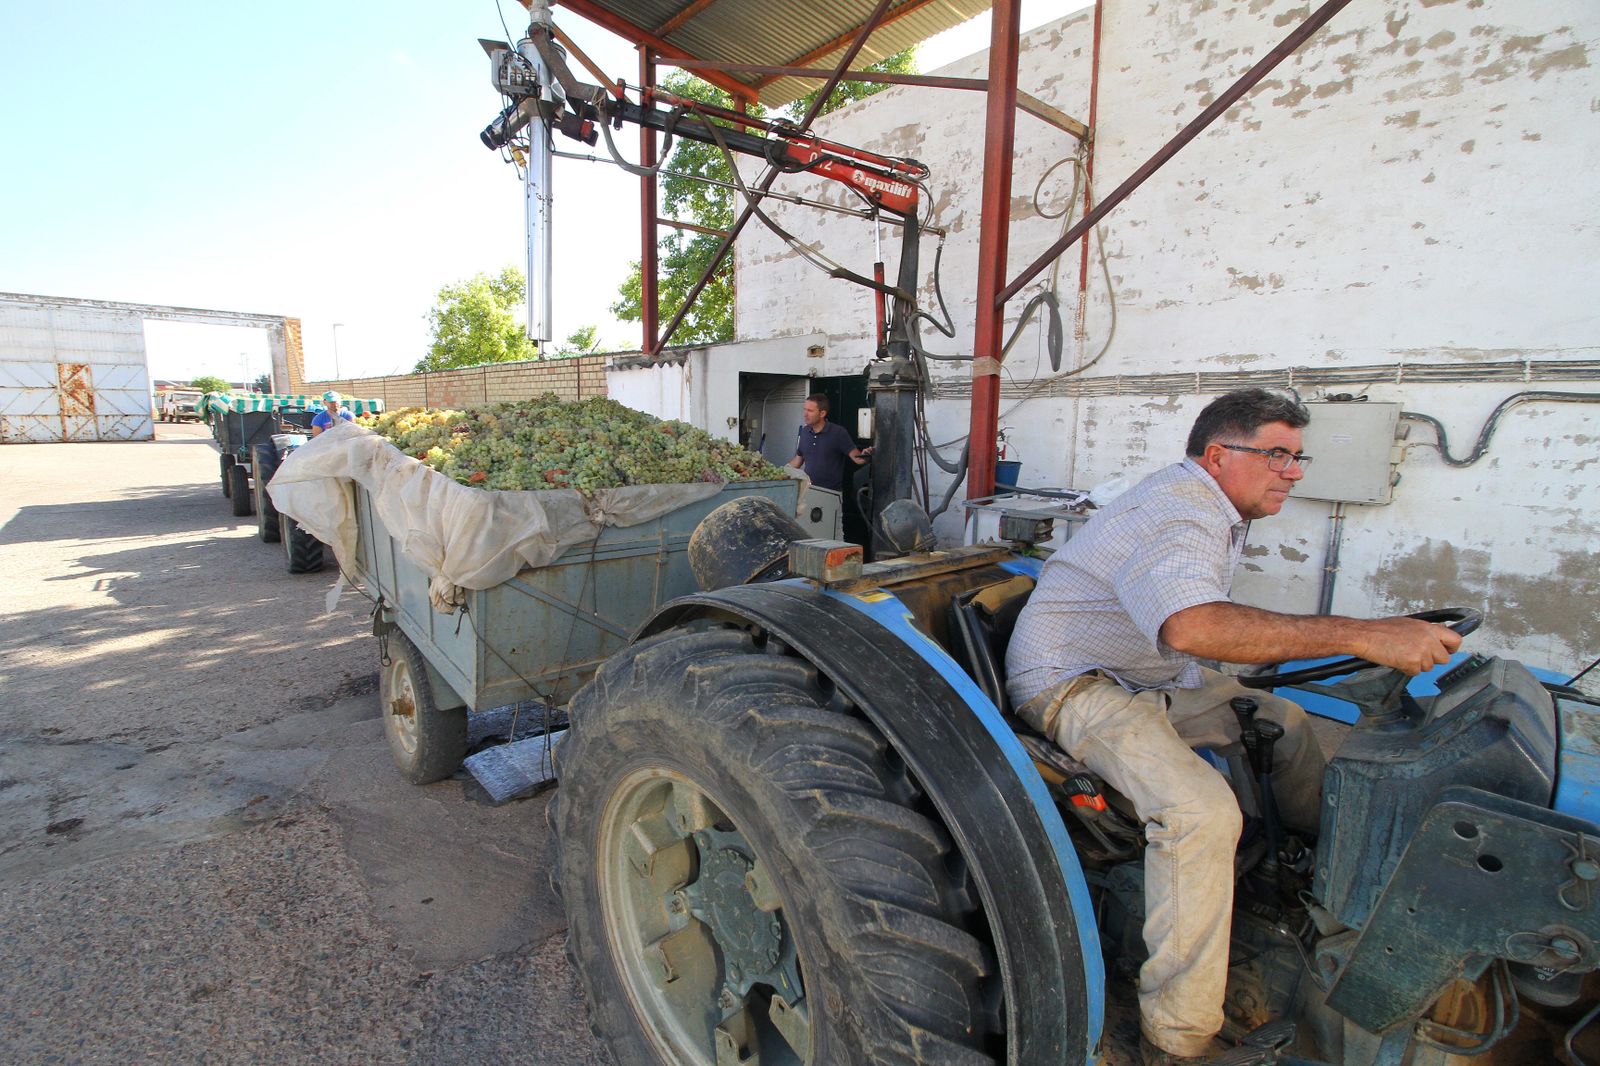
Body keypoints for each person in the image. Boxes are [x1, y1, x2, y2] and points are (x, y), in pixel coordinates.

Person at [1004, 388, 1461, 1065]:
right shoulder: (1178, 512)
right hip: (1074, 681)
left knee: (1286, 723)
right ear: (1218, 456)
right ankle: (1177, 1037)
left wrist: (1373, 636)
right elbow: (1194, 625)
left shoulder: (1213, 509)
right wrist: (1367, 634)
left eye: (1298, 457)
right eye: (1277, 454)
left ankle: (1321, 890)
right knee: (1201, 815)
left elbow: (1194, 628)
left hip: (1154, 675)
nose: (1294, 471)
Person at [786, 393, 871, 491]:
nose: (805, 414)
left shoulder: (838, 433)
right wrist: (781, 472)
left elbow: (858, 459)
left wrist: (866, 455)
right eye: (804, 409)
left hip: (830, 494)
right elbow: (798, 459)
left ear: (822, 413)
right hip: (808, 491)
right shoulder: (805, 432)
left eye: (810, 411)